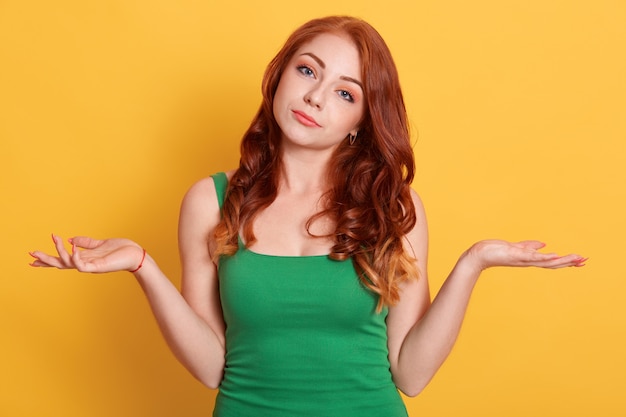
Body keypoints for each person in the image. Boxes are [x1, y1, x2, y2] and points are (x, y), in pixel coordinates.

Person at [28, 15, 586, 417]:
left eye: (346, 94)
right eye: (307, 70)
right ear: (279, 77)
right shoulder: (211, 201)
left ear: (362, 122)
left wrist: (473, 263)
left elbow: (411, 377)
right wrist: (143, 267)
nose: (316, 97)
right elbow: (211, 369)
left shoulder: (394, 209)